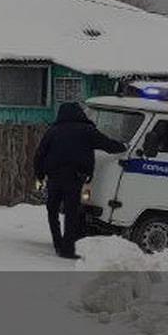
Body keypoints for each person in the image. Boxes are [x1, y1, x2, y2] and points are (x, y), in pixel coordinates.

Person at [33, 102, 127, 259]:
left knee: (52, 211)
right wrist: (123, 147)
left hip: (54, 178)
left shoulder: (53, 131)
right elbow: (107, 144)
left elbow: (39, 154)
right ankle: (67, 249)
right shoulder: (87, 130)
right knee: (71, 213)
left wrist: (40, 175)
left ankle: (58, 243)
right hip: (75, 178)